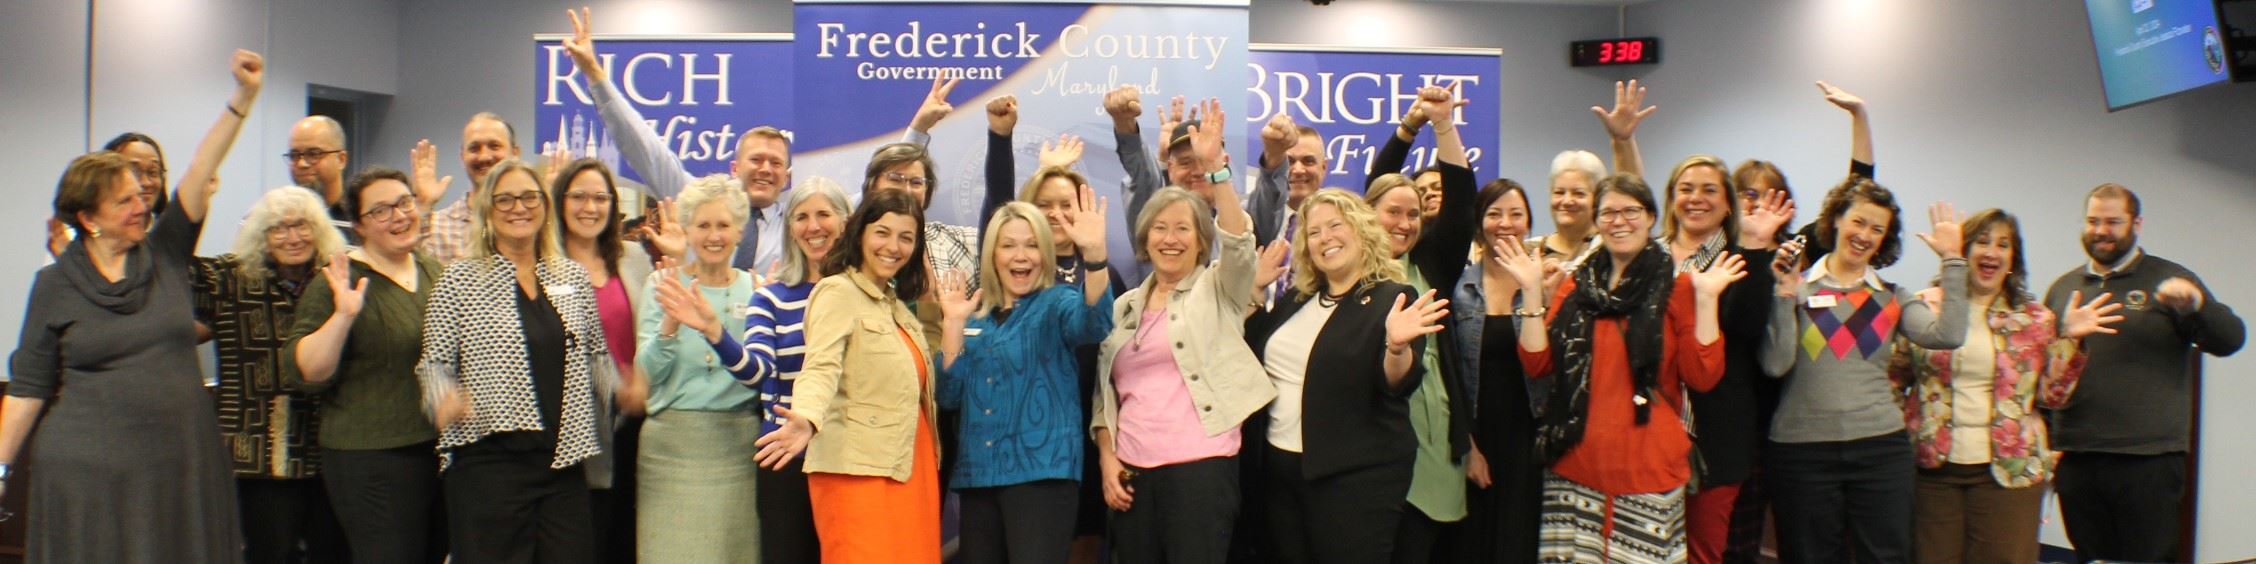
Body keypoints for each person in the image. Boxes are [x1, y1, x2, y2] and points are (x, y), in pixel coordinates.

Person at [0, 49, 262, 564]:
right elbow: (28, 387)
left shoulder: (163, 251)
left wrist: (243, 96)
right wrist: (1, 470)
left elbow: (200, 167)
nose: (142, 203)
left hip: (179, 464)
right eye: (125, 200)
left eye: (141, 192)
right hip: (87, 475)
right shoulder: (53, 285)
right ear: (89, 217)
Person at [1511, 172, 1743, 562]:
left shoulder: (1679, 287)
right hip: (1574, 461)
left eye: (1631, 211)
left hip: (1647, 466)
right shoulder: (1574, 288)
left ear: (1652, 216)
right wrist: (1532, 290)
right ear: (1597, 221)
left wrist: (1706, 302)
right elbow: (1538, 364)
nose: (1619, 221)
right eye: (1608, 213)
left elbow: (1703, 376)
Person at [1893, 209, 2122, 564]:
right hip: (1932, 471)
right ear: (1963, 251)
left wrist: (2071, 341)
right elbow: (1895, 377)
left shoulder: (2034, 318)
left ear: (2013, 259)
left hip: (2009, 473)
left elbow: (2053, 395)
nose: (1991, 252)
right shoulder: (1926, 307)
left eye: (2003, 245)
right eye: (1981, 242)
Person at [1760, 179, 1970, 564]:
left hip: (1879, 451)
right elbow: (1775, 364)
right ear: (1837, 220)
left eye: (1878, 229)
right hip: (1802, 452)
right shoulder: (1797, 286)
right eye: (1859, 222)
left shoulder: (1893, 296)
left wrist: (1953, 260)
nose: (1865, 236)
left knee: (1886, 556)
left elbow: (1949, 334)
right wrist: (1784, 294)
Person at [418, 159, 614, 563]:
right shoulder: (459, 280)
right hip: (489, 466)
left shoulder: (572, 278)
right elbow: (434, 364)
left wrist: (623, 389)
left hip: (562, 464)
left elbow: (596, 355)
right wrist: (442, 398)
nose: (518, 208)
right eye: (504, 199)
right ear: (488, 211)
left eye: (528, 197)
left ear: (545, 206)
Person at [1246, 182, 1450, 562]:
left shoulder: (1394, 297)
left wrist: (1396, 346)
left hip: (1356, 478)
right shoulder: (1298, 297)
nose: (1325, 238)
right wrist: (1256, 289)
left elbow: (1396, 383)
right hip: (1280, 472)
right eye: (1314, 231)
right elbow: (1254, 354)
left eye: (1336, 225)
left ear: (1361, 230)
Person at [2042, 183, 2244, 563]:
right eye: (2093, 221)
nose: (2101, 230)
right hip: (2078, 457)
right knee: (2092, 558)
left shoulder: (2169, 280)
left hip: (2148, 459)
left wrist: (2197, 307)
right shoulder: (2064, 289)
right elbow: (2041, 376)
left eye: (2112, 222)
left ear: (2137, 224)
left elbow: (2230, 340)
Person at [1091, 182, 1277, 564]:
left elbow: (1240, 245)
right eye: (1160, 228)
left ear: (1201, 240)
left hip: (1200, 473)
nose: (1169, 239)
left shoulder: (1218, 288)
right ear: (1145, 238)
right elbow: (1104, 394)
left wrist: (1219, 175)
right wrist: (1108, 459)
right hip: (1132, 476)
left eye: (1182, 228)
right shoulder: (1123, 306)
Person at [754, 189, 943, 564]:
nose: (894, 246)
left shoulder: (896, 308)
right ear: (859, 234)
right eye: (883, 232)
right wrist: (806, 418)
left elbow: (925, 363)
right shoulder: (837, 291)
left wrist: (933, 301)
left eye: (907, 238)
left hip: (910, 468)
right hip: (857, 474)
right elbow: (820, 366)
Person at [680, 178, 852, 564]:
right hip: (784, 456)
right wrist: (715, 333)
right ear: (790, 228)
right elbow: (758, 372)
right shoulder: (770, 297)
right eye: (802, 217)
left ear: (845, 222)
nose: (814, 226)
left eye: (824, 214)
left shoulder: (865, 292)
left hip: (848, 454)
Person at [934, 200, 1116, 563]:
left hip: (1041, 477)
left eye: (1032, 244)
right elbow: (949, 396)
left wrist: (1094, 256)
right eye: (1009, 245)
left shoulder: (1057, 302)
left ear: (1045, 253)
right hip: (978, 479)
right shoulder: (977, 320)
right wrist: (953, 325)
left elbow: (1094, 322)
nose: (1021, 256)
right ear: (992, 255)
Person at [285, 167, 451, 564]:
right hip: (370, 458)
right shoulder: (339, 280)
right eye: (381, 211)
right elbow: (307, 370)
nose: (399, 216)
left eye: (404, 203)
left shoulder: (430, 269)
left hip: (434, 449)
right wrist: (342, 317)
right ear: (358, 225)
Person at [1645, 152, 1792, 564]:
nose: (1697, 198)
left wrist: (1758, 245)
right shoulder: (1647, 257)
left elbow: (1745, 328)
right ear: (1672, 197)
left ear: (1728, 203)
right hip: (1648, 430)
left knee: (1704, 552)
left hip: (1716, 437)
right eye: (1686, 189)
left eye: (1710, 190)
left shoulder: (1743, 255)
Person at [193, 186, 353, 564]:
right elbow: (171, 266)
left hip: (326, 451)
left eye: (302, 226)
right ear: (260, 235)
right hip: (257, 455)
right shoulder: (228, 277)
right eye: (278, 228)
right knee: (270, 554)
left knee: (331, 554)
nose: (292, 237)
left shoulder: (336, 280)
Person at [1355, 84, 1479, 564]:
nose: (1404, 224)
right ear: (1369, 216)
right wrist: (1409, 127)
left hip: (1433, 447)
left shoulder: (1431, 266)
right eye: (1393, 213)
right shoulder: (1351, 272)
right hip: (1369, 451)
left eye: (1413, 215)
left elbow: (1462, 200)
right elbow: (1379, 182)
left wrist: (1443, 125)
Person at [564, 8, 787, 272]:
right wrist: (593, 72)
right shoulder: (694, 198)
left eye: (776, 163)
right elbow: (643, 146)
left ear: (786, 176)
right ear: (735, 168)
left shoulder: (798, 223)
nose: (765, 169)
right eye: (757, 159)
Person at [633, 175, 764, 561]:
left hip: (736, 447)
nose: (713, 235)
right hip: (669, 450)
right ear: (687, 230)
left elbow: (761, 372)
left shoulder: (757, 289)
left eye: (723, 225)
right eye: (703, 225)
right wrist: (669, 326)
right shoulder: (662, 284)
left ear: (740, 231)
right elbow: (646, 374)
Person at [551, 158, 654, 563]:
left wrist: (641, 382)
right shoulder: (544, 266)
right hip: (574, 423)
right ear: (560, 202)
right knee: (585, 535)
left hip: (633, 415)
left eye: (600, 197)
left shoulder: (633, 259)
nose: (589, 207)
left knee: (625, 536)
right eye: (578, 196)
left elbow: (652, 329)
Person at [1451, 179, 1543, 564]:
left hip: (1530, 437)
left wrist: (1539, 292)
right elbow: (1450, 374)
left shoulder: (1548, 282)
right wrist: (1467, 445)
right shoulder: (1459, 288)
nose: (1505, 223)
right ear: (1478, 223)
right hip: (1475, 434)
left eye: (1516, 214)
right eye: (1494, 213)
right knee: (1473, 543)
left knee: (1519, 541)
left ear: (1529, 223)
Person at [419, 111, 524, 263]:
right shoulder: (436, 227)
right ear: (462, 157)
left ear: (515, 153)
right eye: (474, 148)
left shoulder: (529, 220)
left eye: (494, 146)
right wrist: (423, 206)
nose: (484, 157)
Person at [286, 115, 358, 235]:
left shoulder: (361, 219)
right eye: (294, 155)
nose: (302, 163)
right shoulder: (280, 219)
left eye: (314, 154)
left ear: (341, 160)